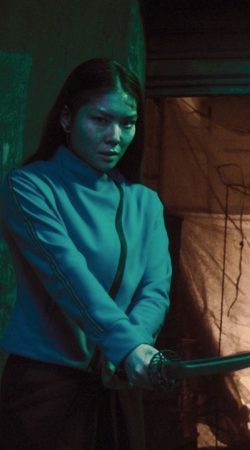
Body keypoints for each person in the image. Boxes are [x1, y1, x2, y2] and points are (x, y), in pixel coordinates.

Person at [0, 58, 171, 450]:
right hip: (45, 390)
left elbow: (155, 289)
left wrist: (133, 348)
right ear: (67, 118)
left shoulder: (145, 203)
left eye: (128, 123)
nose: (115, 136)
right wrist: (127, 347)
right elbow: (67, 275)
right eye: (100, 120)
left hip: (119, 383)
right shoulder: (30, 187)